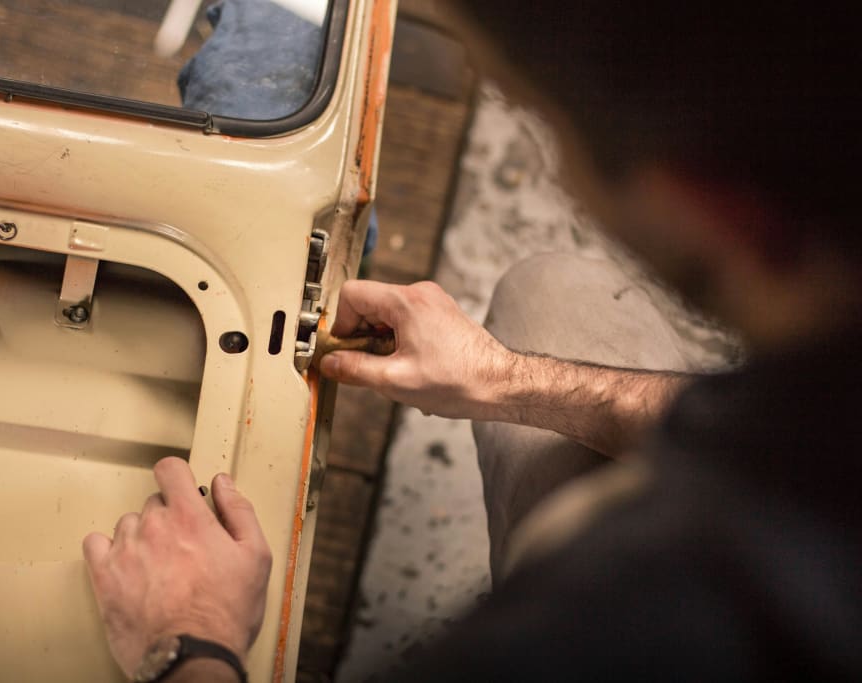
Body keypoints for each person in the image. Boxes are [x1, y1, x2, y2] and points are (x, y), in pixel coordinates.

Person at [82, 2, 862, 680]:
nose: (556, 167)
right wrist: (502, 377)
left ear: (710, 206)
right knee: (553, 291)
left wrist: (189, 642)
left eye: (542, 127)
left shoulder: (612, 631)